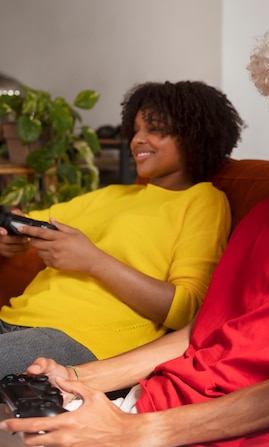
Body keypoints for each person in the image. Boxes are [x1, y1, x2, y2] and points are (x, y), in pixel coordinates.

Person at [0, 8, 269, 447]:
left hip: (206, 428)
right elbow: (192, 337)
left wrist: (136, 431)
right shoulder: (264, 216)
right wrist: (72, 377)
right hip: (152, 401)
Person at [0, 80, 243, 376]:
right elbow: (28, 221)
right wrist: (9, 230)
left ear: (194, 135)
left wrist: (92, 260)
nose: (137, 140)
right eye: (136, 130)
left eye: (154, 129)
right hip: (15, 318)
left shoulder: (202, 200)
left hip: (84, 336)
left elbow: (187, 309)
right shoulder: (113, 195)